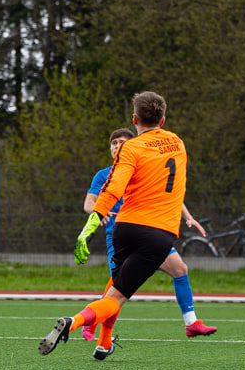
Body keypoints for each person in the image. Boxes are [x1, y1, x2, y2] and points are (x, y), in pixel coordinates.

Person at [40, 91, 186, 360]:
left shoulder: (130, 152)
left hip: (123, 230)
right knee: (117, 297)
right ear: (163, 120)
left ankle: (103, 344)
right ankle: (74, 323)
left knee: (115, 289)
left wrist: (88, 228)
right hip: (155, 232)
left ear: (134, 120)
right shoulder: (177, 143)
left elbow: (110, 192)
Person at [80, 128, 216, 340]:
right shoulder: (103, 175)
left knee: (179, 268)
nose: (117, 146)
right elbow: (90, 202)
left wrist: (188, 217)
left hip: (149, 232)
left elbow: (169, 195)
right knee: (120, 287)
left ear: (132, 145)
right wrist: (98, 212)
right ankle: (92, 324)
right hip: (121, 235)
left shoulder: (145, 166)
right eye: (113, 143)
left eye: (121, 142)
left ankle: (191, 323)